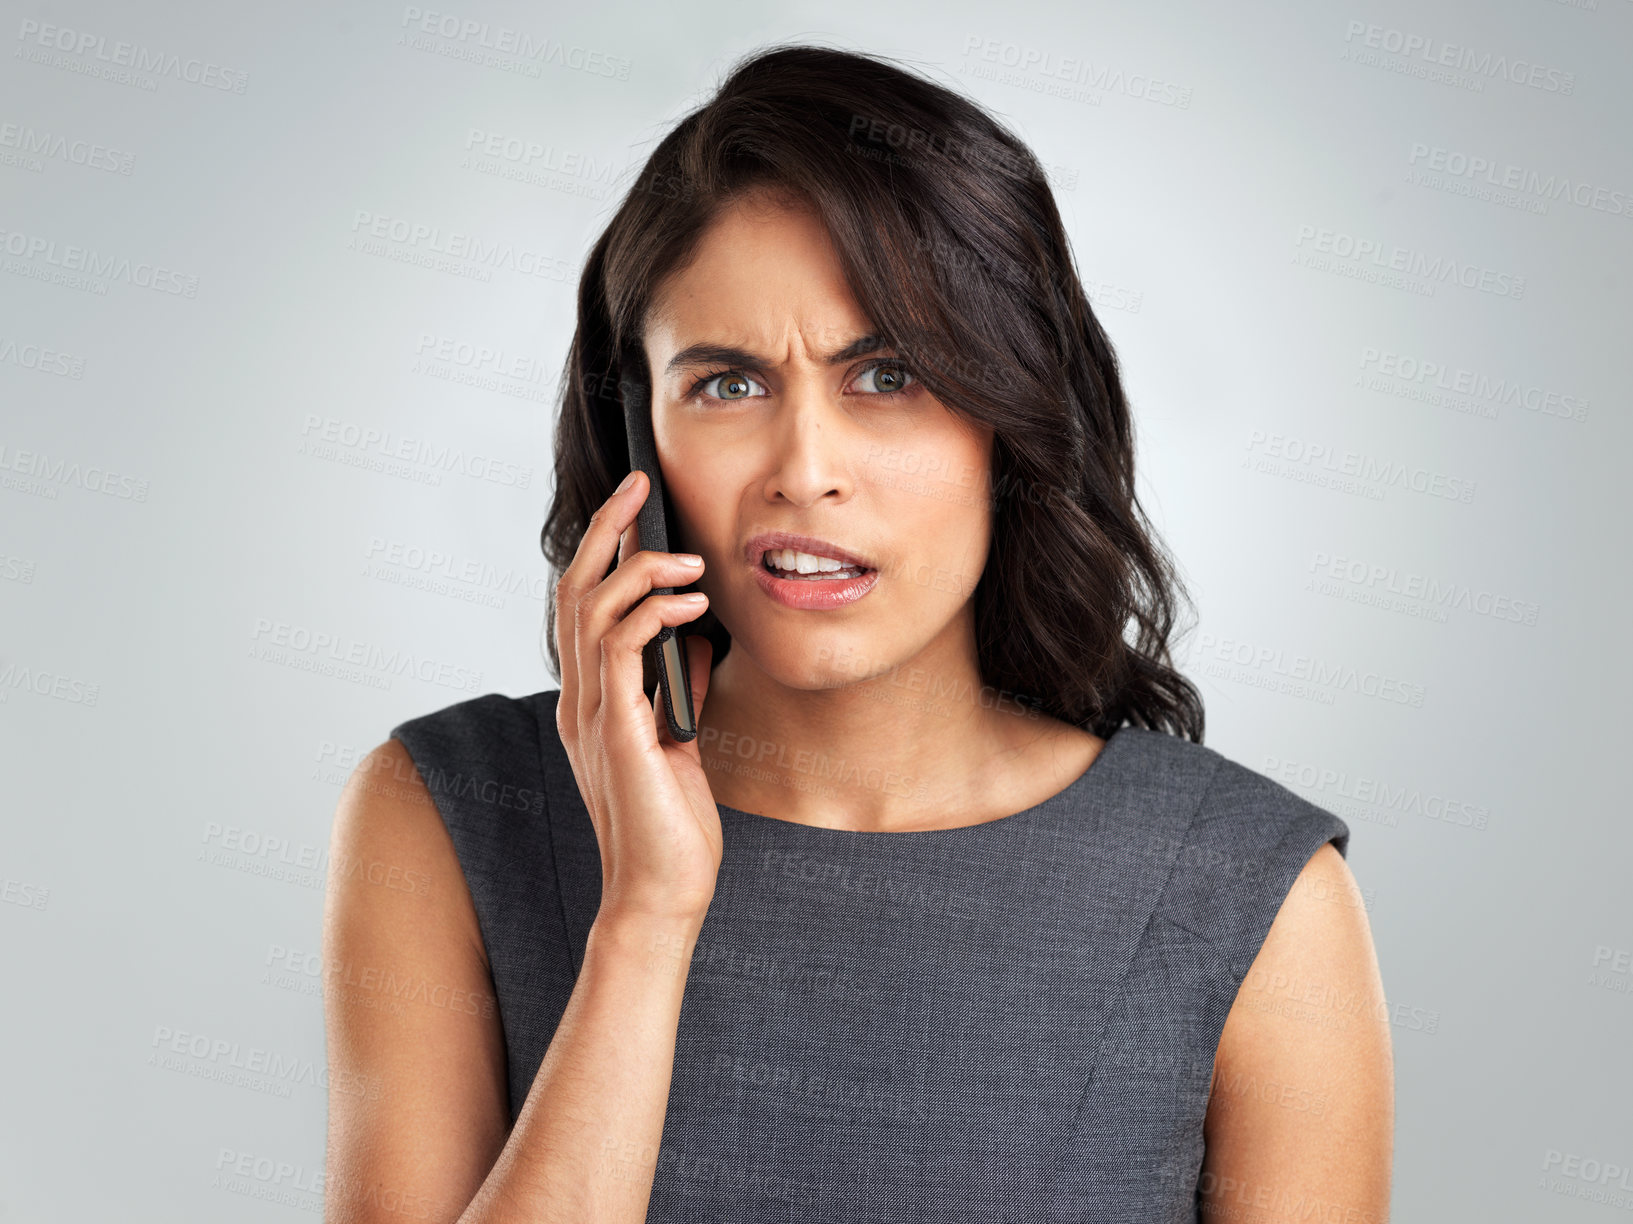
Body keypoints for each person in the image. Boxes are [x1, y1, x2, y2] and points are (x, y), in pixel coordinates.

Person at [322, 43, 1393, 1224]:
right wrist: (645, 917)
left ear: (1015, 419)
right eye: (726, 385)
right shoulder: (449, 814)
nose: (805, 472)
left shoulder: (1249, 892)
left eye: (887, 377)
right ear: (637, 440)